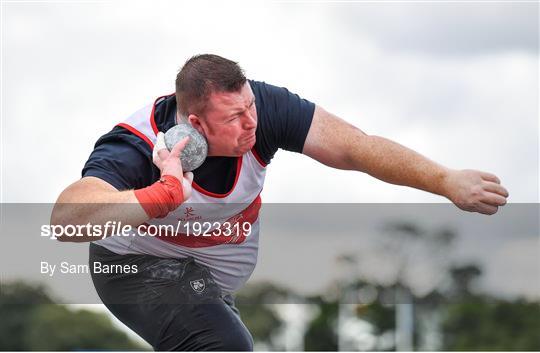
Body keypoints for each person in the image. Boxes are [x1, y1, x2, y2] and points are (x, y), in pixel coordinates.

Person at [51, 54, 509, 351]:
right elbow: (66, 220)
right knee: (226, 347)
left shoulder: (263, 111)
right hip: (135, 267)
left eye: (250, 106)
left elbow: (356, 147)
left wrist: (446, 179)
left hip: (202, 274)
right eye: (234, 117)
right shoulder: (137, 146)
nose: (251, 122)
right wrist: (160, 194)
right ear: (194, 122)